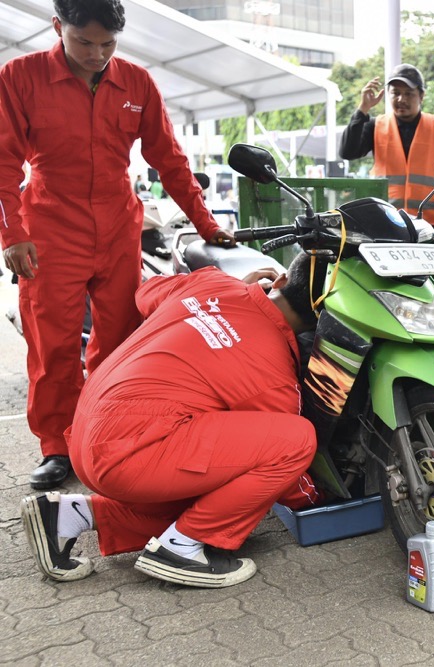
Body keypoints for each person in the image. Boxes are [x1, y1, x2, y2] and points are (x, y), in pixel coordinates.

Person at [0, 0, 237, 491]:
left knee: (121, 337)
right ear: (57, 27)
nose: (96, 54)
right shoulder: (19, 77)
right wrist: (13, 234)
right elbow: (2, 163)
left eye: (108, 44)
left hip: (118, 227)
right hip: (49, 232)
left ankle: (105, 428)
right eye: (84, 42)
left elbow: (169, 160)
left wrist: (207, 224)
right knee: (53, 346)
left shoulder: (137, 83)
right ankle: (57, 447)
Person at [20, 252, 328, 588]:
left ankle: (69, 515)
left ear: (280, 280)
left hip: (87, 429)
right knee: (296, 440)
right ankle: (183, 549)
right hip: (126, 454)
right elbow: (288, 473)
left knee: (219, 493)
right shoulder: (274, 376)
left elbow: (146, 293)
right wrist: (321, 502)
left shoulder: (211, 281)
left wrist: (222, 303)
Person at [338, 63, 434, 230]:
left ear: (421, 96)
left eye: (408, 94)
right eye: (395, 93)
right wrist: (363, 109)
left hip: (428, 226)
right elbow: (348, 152)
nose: (401, 99)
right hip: (384, 223)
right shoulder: (375, 126)